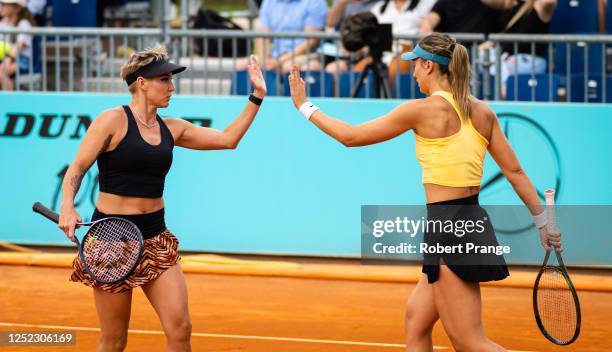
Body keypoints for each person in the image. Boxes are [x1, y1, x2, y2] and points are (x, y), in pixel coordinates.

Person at [288, 32, 562, 351]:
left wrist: (304, 106)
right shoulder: (483, 112)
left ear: (430, 66)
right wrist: (543, 223)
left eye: (415, 65)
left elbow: (351, 137)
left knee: (469, 341)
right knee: (416, 321)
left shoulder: (421, 110)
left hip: (449, 228)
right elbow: (515, 173)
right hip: (467, 221)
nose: (413, 73)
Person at [58, 44, 266, 351]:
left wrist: (257, 96)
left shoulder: (173, 128)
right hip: (111, 241)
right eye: (164, 80)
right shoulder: (112, 121)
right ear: (142, 83)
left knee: (181, 329)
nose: (171, 87)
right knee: (114, 341)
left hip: (156, 238)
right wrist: (67, 206)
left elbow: (228, 139)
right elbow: (77, 168)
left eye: (171, 79)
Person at [235, 0, 328, 74]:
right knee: (242, 65)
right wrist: (264, 60)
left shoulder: (316, 2)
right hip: (275, 55)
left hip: (304, 55)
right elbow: (262, 34)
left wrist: (279, 61)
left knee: (290, 67)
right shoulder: (269, 1)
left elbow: (311, 41)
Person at [0, 0, 35, 91]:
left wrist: (8, 59)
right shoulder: (2, 24)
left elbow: (19, 47)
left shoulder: (24, 24)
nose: (2, 7)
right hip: (4, 57)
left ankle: (10, 102)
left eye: (5, 4)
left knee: (1, 72)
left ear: (17, 8)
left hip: (21, 60)